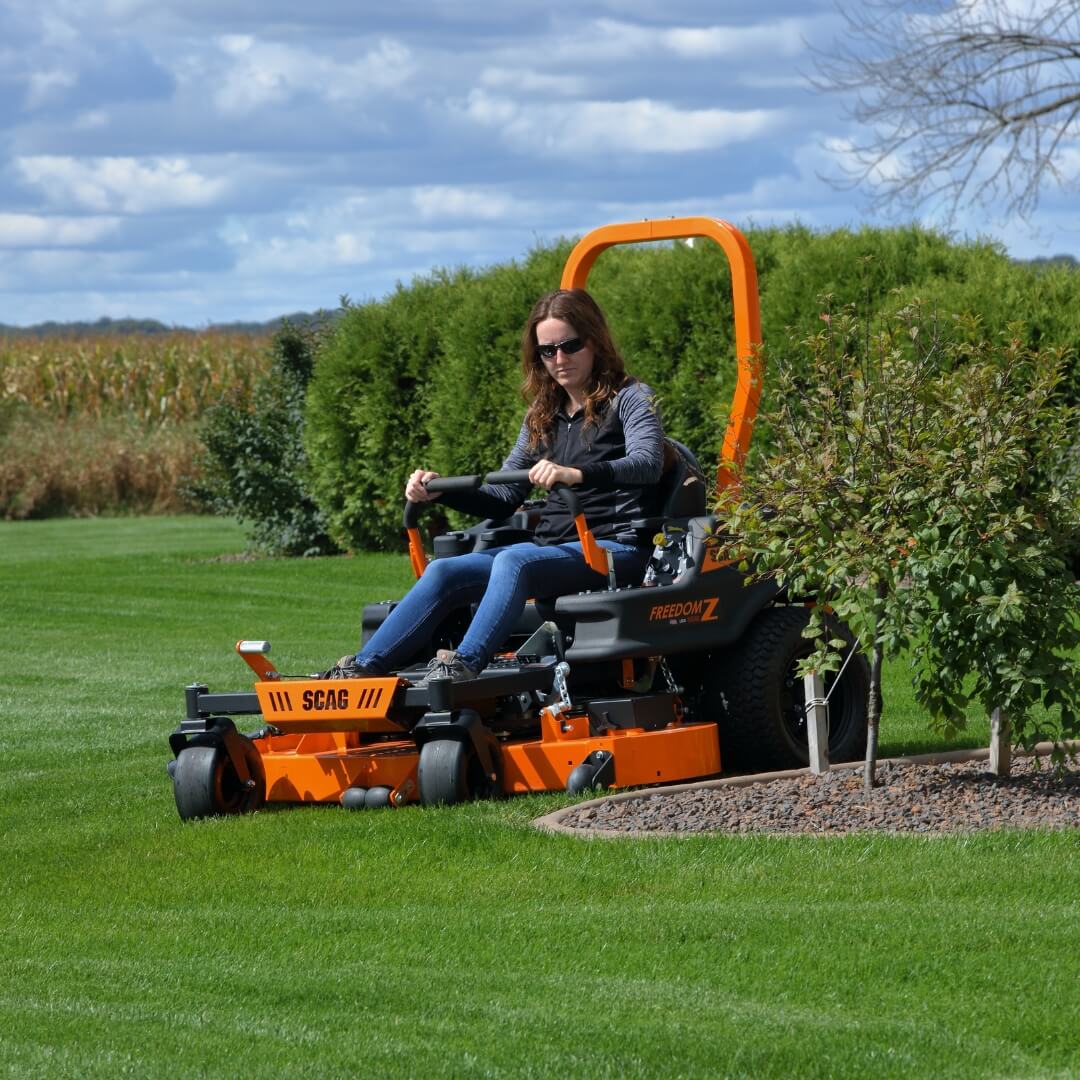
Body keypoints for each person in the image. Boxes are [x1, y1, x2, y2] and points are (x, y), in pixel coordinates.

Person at [327, 288, 665, 684]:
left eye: (570, 346)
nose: (559, 359)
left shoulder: (631, 398)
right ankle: (363, 670)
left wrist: (578, 473)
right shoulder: (542, 415)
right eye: (547, 350)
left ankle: (463, 665)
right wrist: (442, 490)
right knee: (445, 571)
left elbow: (648, 463)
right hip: (554, 548)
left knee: (512, 559)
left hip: (615, 546)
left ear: (594, 341)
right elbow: (503, 498)